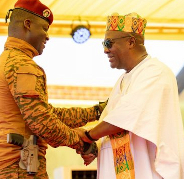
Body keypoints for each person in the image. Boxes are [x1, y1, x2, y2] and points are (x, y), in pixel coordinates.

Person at [0, 0, 106, 178]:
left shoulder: (9, 60)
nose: (47, 37)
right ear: (28, 24)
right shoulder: (21, 65)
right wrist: (82, 143)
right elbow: (44, 123)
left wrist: (96, 112)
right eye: (44, 28)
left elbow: (46, 114)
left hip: (14, 167)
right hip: (15, 168)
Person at [76, 12, 184, 179]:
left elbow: (124, 117)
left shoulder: (155, 72)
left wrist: (89, 136)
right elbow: (112, 126)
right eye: (103, 44)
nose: (105, 50)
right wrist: (95, 147)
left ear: (131, 42)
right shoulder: (124, 79)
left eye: (109, 43)